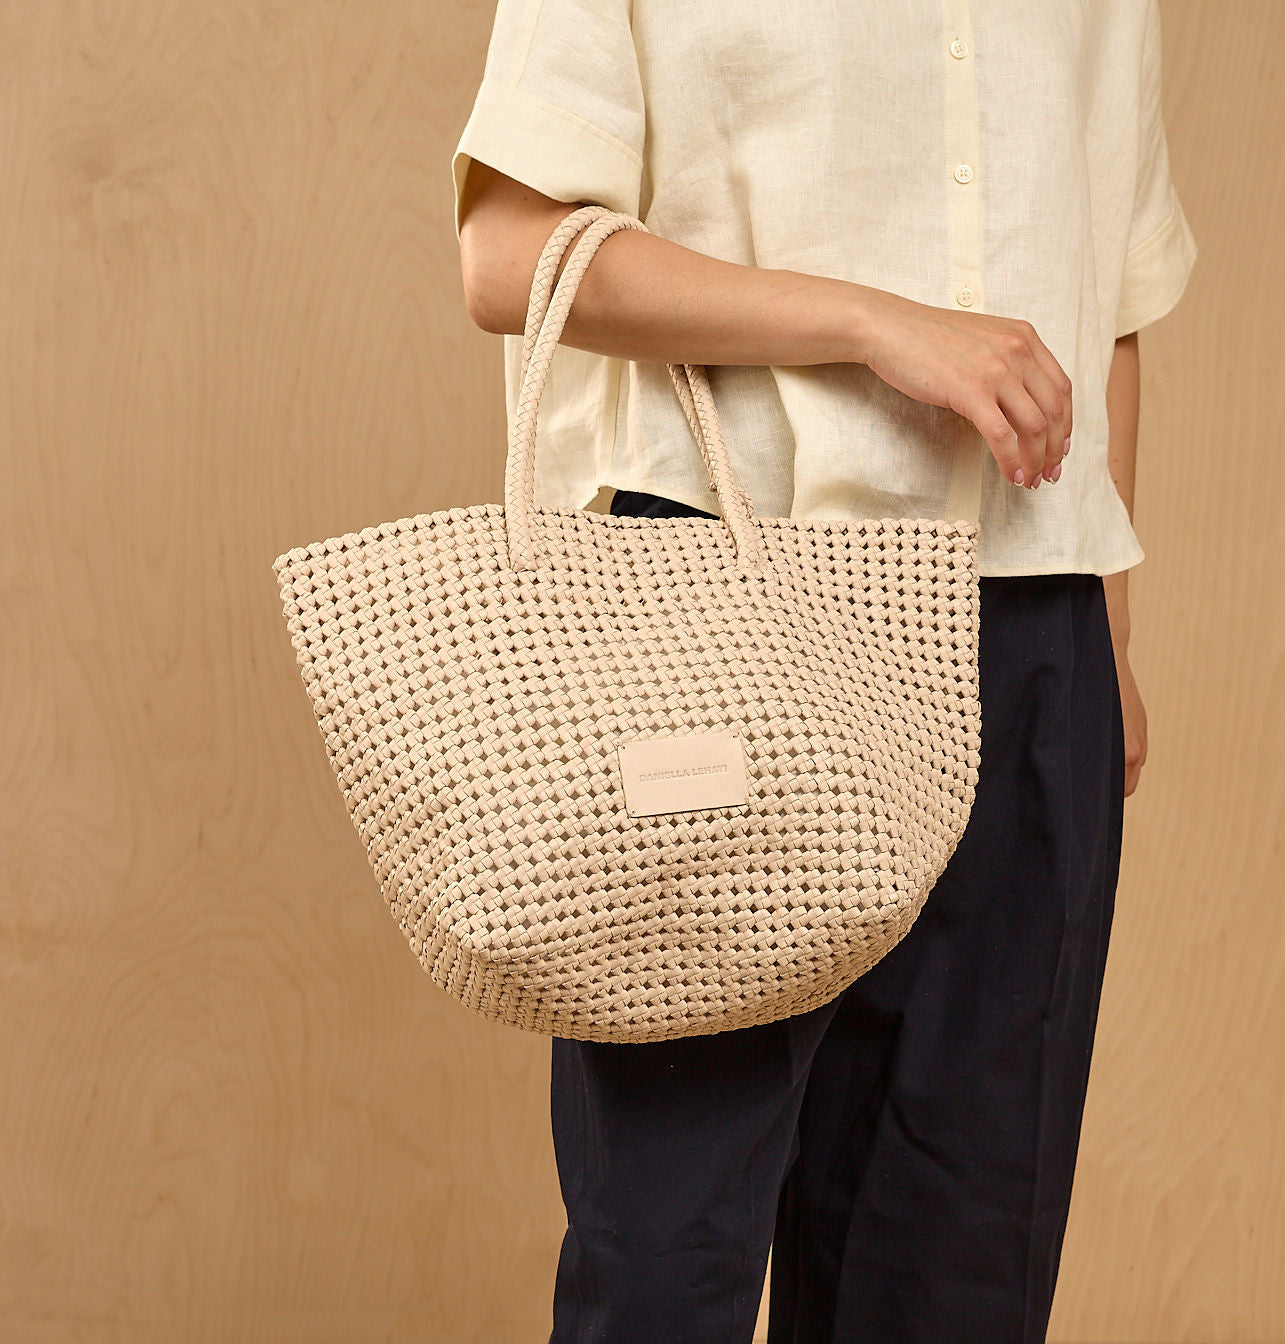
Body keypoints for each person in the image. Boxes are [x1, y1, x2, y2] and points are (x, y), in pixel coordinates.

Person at [451, 2, 1198, 1340]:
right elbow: (507, 254)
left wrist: (1113, 635)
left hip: (1028, 631)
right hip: (720, 612)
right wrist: (870, 323)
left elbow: (1111, 300)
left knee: (956, 1268)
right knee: (666, 1259)